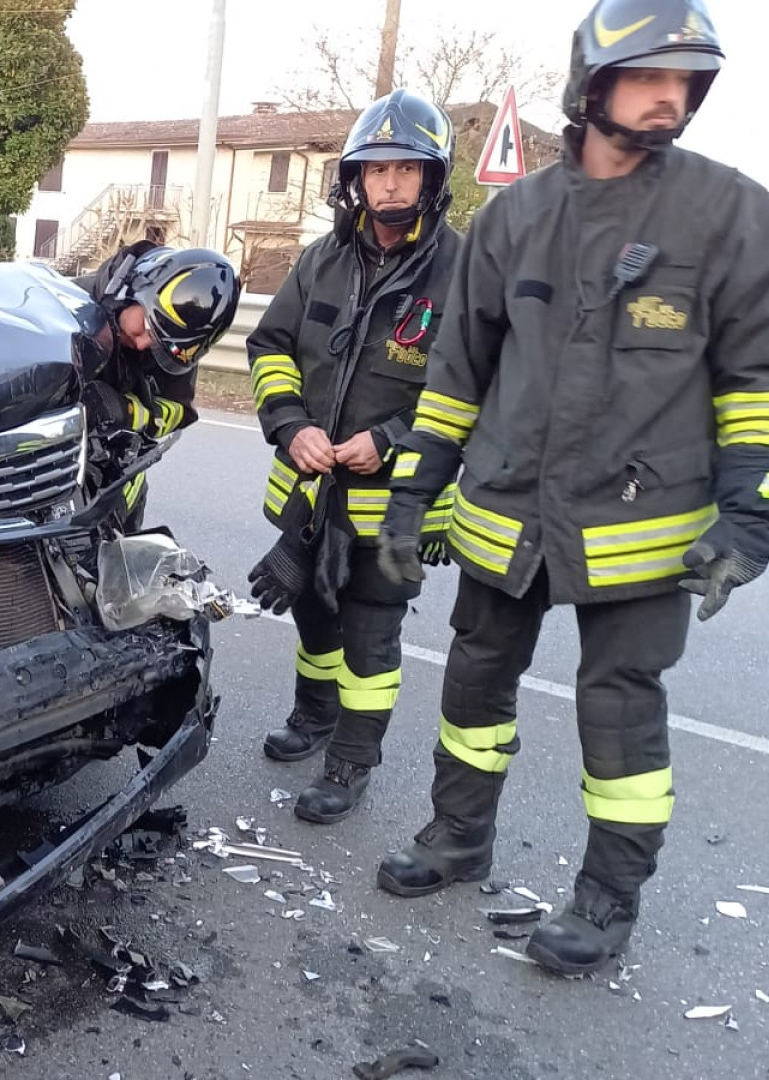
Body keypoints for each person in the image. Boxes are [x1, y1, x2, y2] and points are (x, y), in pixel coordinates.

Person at [372, 0, 769, 975]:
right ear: (591, 84)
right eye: (650, 75)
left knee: (619, 712)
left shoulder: (731, 216)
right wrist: (411, 497)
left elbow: (756, 386)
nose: (671, 96)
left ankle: (606, 902)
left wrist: (749, 517)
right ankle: (455, 838)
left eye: (686, 81)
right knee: (475, 684)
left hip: (641, 530)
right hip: (505, 515)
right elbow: (455, 380)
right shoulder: (515, 219)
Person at [244, 88, 464, 824]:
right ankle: (313, 718)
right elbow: (270, 346)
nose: (390, 184)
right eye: (376, 170)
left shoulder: (461, 274)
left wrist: (390, 438)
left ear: (433, 180)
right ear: (356, 179)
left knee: (372, 640)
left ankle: (350, 763)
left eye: (407, 170)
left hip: (392, 505)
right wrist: (289, 424)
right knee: (313, 618)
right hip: (310, 496)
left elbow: (472, 388)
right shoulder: (321, 260)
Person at [73, 240, 241, 529]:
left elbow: (179, 411)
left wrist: (125, 412)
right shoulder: (71, 305)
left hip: (120, 486)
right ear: (135, 291)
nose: (142, 344)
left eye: (158, 343)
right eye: (146, 328)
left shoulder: (176, 340)